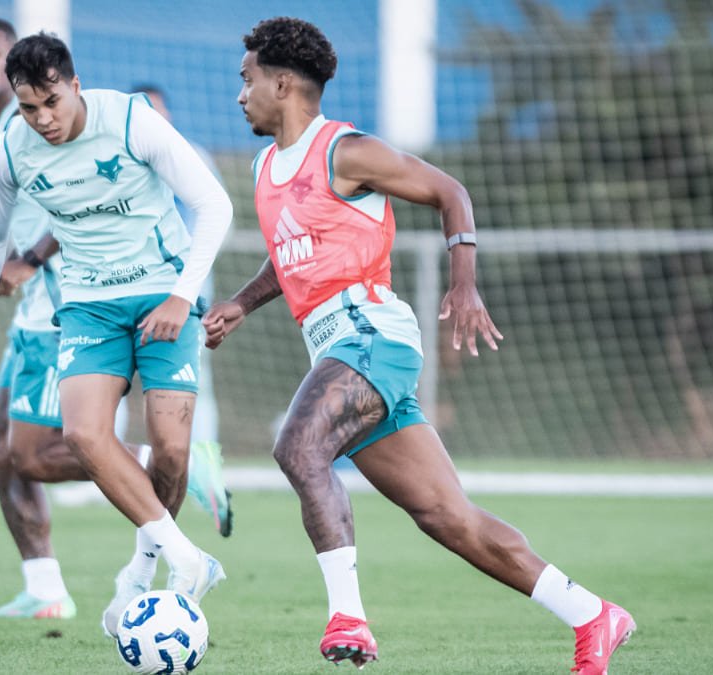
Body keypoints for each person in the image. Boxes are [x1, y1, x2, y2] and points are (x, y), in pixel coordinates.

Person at [204, 17, 635, 672]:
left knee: (298, 446)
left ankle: (347, 616)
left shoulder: (344, 150)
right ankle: (592, 615)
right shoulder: (268, 166)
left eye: (248, 80)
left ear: (283, 82)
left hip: (373, 334)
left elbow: (449, 191)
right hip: (339, 351)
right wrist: (240, 301)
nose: (240, 94)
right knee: (447, 518)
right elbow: (292, 255)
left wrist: (465, 284)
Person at [0, 18, 232, 621]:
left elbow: (214, 204)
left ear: (76, 84)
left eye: (52, 101)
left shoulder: (129, 120)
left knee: (171, 452)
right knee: (79, 437)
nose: (43, 118)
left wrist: (182, 296)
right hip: (88, 304)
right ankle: (188, 560)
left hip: (161, 296)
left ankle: (144, 569)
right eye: (29, 107)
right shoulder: (11, 148)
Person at [131, 83, 232, 536]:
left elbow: (215, 217)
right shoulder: (117, 158)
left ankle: (204, 464)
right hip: (125, 290)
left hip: (182, 295)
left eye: (158, 111)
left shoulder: (190, 155)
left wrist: (185, 286)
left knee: (192, 384)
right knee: (113, 383)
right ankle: (113, 470)